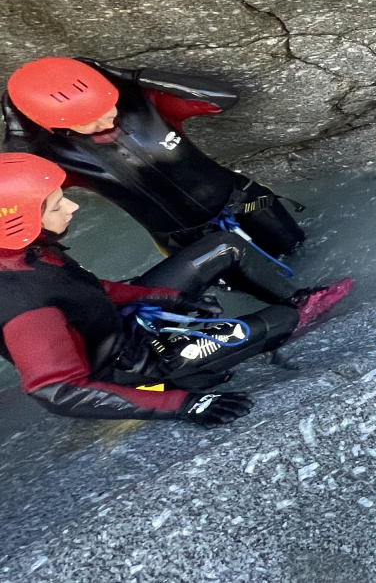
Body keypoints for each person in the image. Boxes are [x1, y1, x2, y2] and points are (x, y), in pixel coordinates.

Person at [0, 152, 311, 424]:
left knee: (224, 246)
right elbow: (58, 390)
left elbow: (85, 290)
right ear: (19, 221)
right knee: (282, 320)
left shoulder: (24, 249)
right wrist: (183, 405)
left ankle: (299, 298)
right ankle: (186, 380)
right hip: (134, 368)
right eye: (56, 207)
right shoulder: (25, 303)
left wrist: (168, 298)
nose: (73, 206)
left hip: (122, 323)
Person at [3, 56, 323, 309]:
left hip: (247, 202)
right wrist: (17, 133)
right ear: (55, 126)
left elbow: (225, 97)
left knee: (302, 251)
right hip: (186, 239)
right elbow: (22, 190)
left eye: (107, 105)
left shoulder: (143, 105)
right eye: (90, 119)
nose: (108, 119)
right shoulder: (57, 156)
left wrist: (130, 75)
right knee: (267, 293)